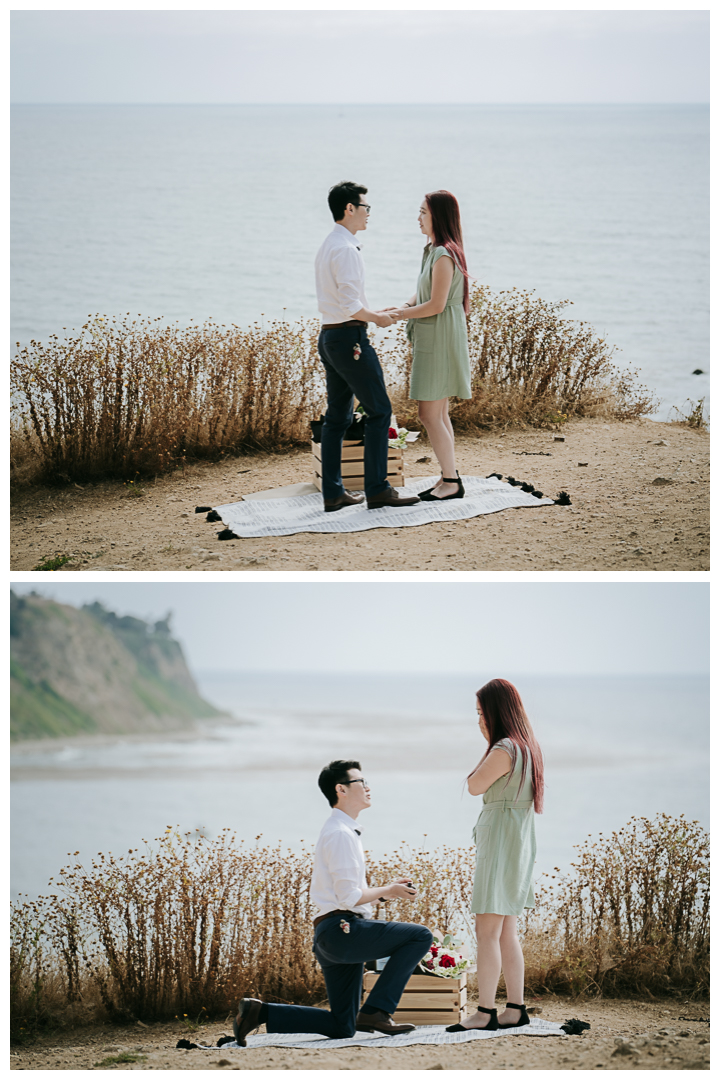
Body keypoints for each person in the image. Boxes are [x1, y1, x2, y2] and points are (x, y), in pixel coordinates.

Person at [233, 760, 433, 1046]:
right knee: (419, 936)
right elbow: (349, 897)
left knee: (342, 1026)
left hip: (334, 934)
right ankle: (377, 1011)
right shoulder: (340, 834)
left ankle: (259, 1012)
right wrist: (386, 888)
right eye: (360, 782)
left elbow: (349, 894)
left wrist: (387, 892)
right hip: (343, 931)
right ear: (341, 789)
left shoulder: (342, 830)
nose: (367, 787)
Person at [315, 181, 420, 512]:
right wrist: (376, 319)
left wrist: (375, 312)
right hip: (349, 339)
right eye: (366, 207)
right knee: (379, 410)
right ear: (350, 208)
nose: (368, 214)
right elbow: (350, 305)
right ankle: (377, 488)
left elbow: (345, 301)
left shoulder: (330, 244)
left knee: (337, 418)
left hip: (330, 336)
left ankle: (333, 493)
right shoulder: (346, 249)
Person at [446, 679, 544, 1034]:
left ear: (496, 712)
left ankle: (485, 1011)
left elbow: (474, 786)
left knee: (486, 931)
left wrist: (487, 746)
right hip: (516, 841)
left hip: (501, 841)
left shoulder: (504, 748)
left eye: (480, 713)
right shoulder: (528, 747)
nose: (478, 720)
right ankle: (515, 1008)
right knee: (506, 932)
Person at [387, 191, 472, 502]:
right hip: (435, 335)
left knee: (429, 413)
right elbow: (422, 292)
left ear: (438, 216)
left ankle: (451, 480)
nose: (418, 218)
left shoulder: (444, 254)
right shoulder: (434, 252)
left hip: (439, 336)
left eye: (423, 212)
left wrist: (398, 315)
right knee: (438, 412)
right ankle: (450, 477)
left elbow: (436, 304)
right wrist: (398, 308)